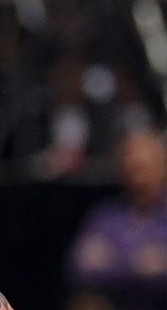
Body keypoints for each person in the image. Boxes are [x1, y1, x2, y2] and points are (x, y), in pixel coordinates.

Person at [66, 128, 167, 310]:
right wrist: (138, 264)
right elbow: (81, 267)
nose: (139, 177)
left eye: (145, 167)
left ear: (163, 167)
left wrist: (115, 261)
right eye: (133, 168)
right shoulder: (106, 215)